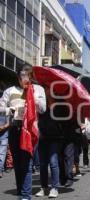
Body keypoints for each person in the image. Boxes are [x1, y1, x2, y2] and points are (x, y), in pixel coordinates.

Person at [0, 64, 46, 200]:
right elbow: (1, 107)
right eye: (22, 76)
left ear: (31, 76)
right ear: (18, 77)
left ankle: (25, 195)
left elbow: (43, 108)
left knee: (27, 163)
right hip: (15, 128)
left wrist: (32, 99)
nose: (24, 79)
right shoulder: (10, 90)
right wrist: (11, 110)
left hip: (31, 130)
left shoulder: (38, 89)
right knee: (18, 162)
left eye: (27, 76)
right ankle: (21, 191)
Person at [35, 87, 63, 198]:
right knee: (42, 164)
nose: (47, 94)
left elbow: (63, 122)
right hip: (42, 138)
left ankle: (55, 188)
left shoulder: (59, 107)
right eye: (46, 92)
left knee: (53, 163)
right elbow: (37, 119)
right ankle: (43, 187)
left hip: (55, 139)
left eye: (49, 92)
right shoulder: (42, 107)